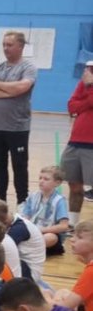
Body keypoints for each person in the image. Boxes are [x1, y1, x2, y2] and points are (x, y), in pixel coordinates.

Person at [0, 30, 38, 204]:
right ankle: (1, 199)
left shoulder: (28, 68)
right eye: (4, 45)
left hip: (17, 128)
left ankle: (22, 201)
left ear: (20, 46)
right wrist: (9, 92)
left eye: (10, 45)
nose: (6, 48)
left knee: (19, 166)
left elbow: (22, 87)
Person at [62, 61, 93, 227]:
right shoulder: (84, 84)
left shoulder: (88, 85)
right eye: (88, 69)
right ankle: (72, 224)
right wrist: (88, 92)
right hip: (75, 142)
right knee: (74, 185)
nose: (88, 72)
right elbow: (72, 107)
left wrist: (89, 87)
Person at [19, 166, 70, 255]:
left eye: (46, 179)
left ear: (57, 183)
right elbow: (25, 217)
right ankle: (27, 249)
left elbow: (64, 226)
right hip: (32, 232)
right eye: (40, 178)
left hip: (47, 233)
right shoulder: (33, 196)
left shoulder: (59, 200)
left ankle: (26, 250)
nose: (41, 181)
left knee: (51, 238)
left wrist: (42, 230)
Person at [54, 220, 93, 311]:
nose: (72, 239)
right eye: (73, 235)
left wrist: (46, 298)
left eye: (79, 237)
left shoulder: (91, 271)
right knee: (62, 292)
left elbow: (64, 307)